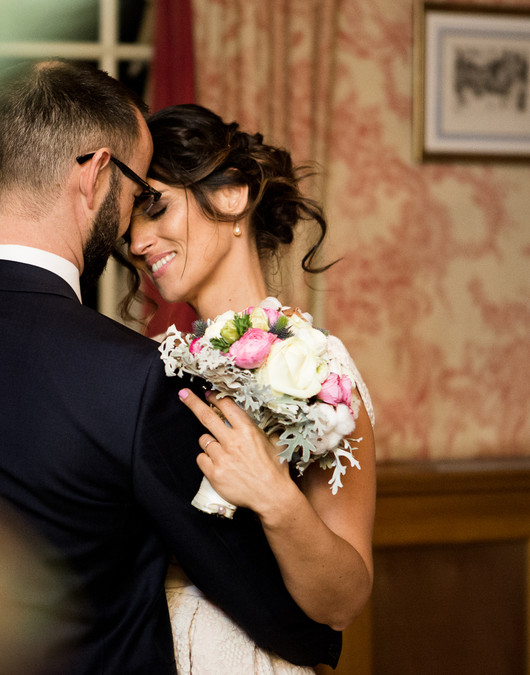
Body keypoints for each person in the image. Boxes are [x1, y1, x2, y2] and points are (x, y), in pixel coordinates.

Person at [0, 62, 341, 675]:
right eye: (137, 190)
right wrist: (322, 644)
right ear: (97, 174)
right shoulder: (133, 380)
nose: (134, 231)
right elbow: (267, 603)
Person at [123, 103, 377, 675]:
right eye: (129, 226)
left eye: (155, 207)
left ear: (232, 196)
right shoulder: (151, 371)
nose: (138, 242)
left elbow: (342, 602)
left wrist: (275, 496)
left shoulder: (319, 371)